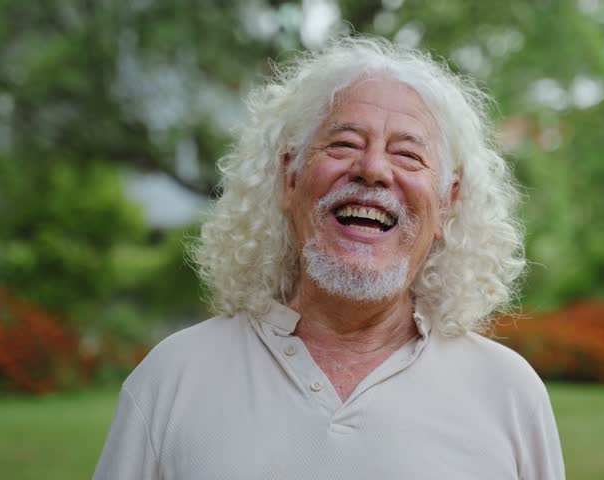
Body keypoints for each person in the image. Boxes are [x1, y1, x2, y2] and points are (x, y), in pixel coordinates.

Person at [93, 36, 565, 479]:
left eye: (407, 155)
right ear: (290, 178)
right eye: (344, 144)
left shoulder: (508, 394)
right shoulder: (172, 378)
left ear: (446, 203)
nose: (374, 170)